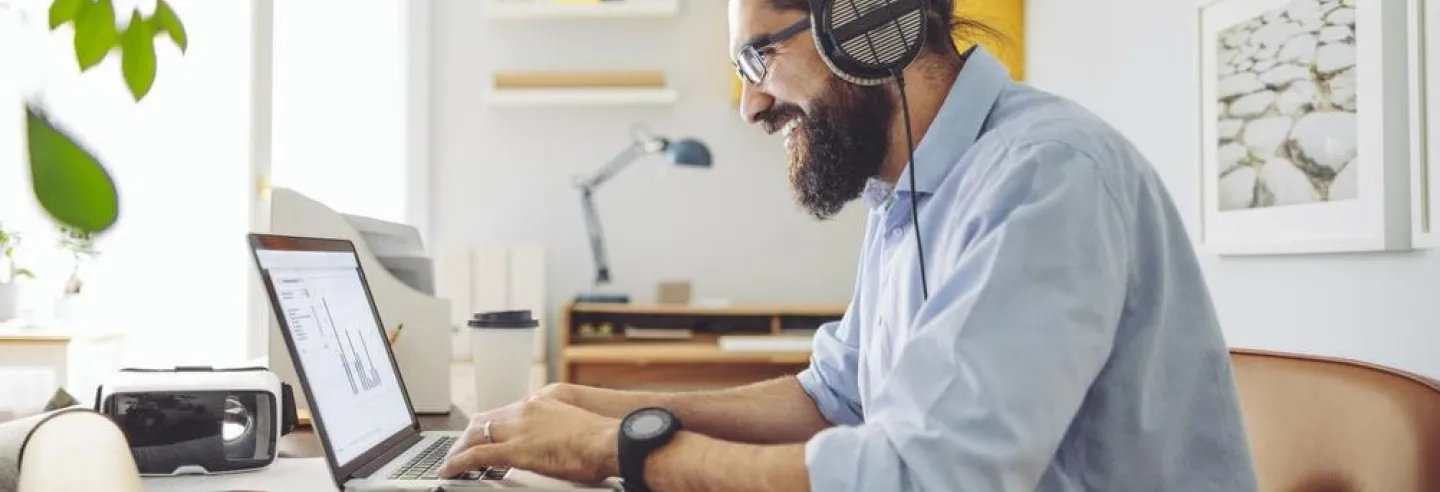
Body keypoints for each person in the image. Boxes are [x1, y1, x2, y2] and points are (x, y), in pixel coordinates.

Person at [439, 0, 1260, 490]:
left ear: (868, 22)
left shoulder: (1046, 177)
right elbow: (838, 397)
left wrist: (622, 449)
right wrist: (604, 407)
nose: (751, 108)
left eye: (759, 55)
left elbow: (925, 478)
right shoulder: (905, 186)